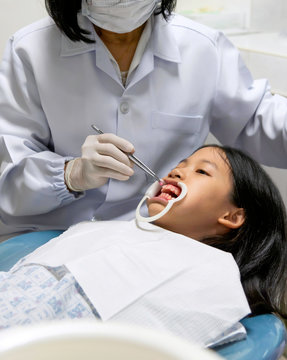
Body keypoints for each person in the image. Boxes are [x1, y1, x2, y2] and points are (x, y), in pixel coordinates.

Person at [0, 1, 287, 240]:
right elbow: (8, 187)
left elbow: (255, 120)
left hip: (152, 237)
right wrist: (69, 175)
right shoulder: (30, 50)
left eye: (200, 171)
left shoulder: (203, 49)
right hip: (47, 235)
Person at [0, 145, 286, 347]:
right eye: (180, 165)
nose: (177, 172)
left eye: (202, 172)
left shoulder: (213, 272)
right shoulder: (108, 230)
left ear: (232, 216)